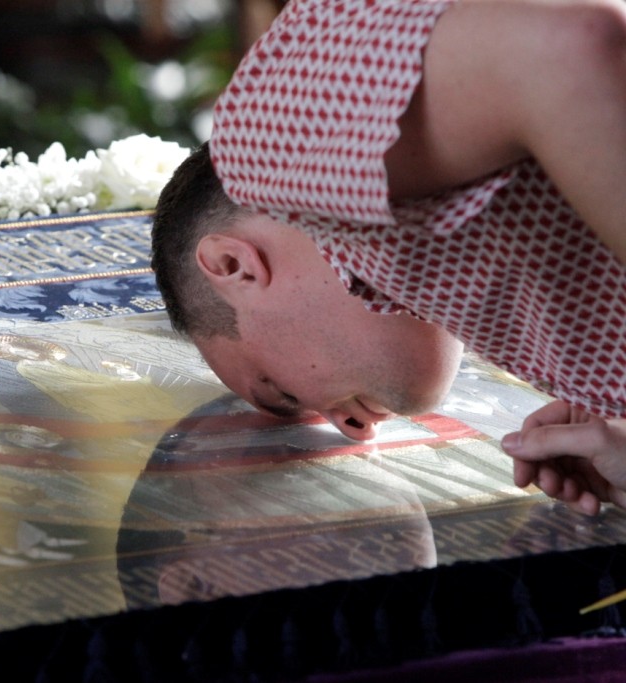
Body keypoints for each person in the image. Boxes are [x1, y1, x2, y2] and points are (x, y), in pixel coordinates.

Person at [150, 0, 626, 515]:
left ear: (235, 267)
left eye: (284, 395)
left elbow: (569, 44)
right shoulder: (534, 315)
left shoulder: (270, 150)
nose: (358, 430)